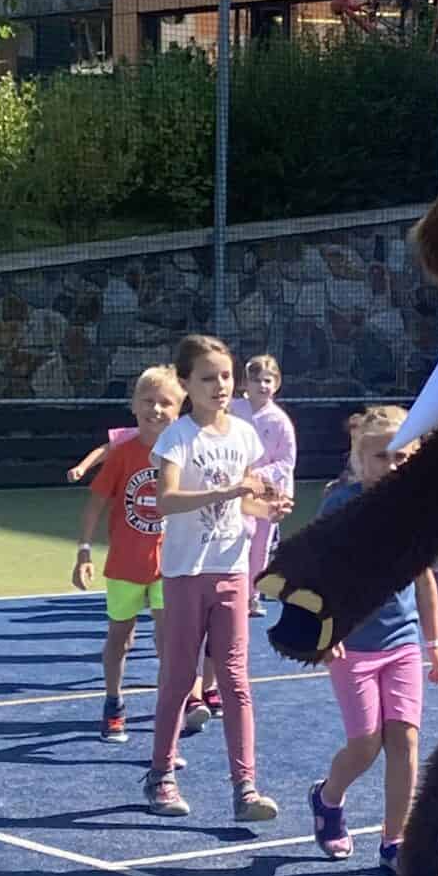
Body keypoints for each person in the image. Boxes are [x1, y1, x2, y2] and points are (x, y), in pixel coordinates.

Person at [143, 333, 284, 822]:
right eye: (208, 378)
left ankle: (245, 788)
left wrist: (268, 507)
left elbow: (246, 501)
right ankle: (161, 774)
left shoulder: (244, 434)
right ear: (185, 384)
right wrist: (226, 492)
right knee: (180, 676)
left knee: (235, 680)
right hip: (186, 574)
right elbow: (166, 501)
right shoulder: (176, 438)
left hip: (232, 571)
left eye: (226, 376)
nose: (221, 385)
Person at [307, 407, 438, 875]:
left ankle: (395, 840)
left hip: (402, 642)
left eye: (402, 456)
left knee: (405, 740)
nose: (392, 466)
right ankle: (328, 798)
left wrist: (433, 641)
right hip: (352, 646)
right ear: (359, 458)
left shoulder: (418, 508)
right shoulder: (340, 505)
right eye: (382, 456)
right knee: (365, 744)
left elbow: (424, 578)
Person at [70, 364, 181, 743]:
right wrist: (84, 552)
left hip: (171, 567)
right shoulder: (121, 455)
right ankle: (113, 703)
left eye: (165, 402)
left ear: (179, 409)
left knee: (169, 642)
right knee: (120, 638)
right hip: (124, 566)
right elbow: (95, 505)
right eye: (147, 401)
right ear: (133, 406)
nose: (156, 409)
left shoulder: (185, 454)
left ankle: (168, 711)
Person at [233, 354, 297, 619]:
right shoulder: (232, 410)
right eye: (256, 380)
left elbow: (287, 461)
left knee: (260, 545)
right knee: (236, 541)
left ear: (277, 384)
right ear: (244, 383)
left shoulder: (280, 421)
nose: (262, 386)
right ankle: (233, 593)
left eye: (268, 380)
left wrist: (258, 476)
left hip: (269, 494)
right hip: (235, 491)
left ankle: (252, 597)